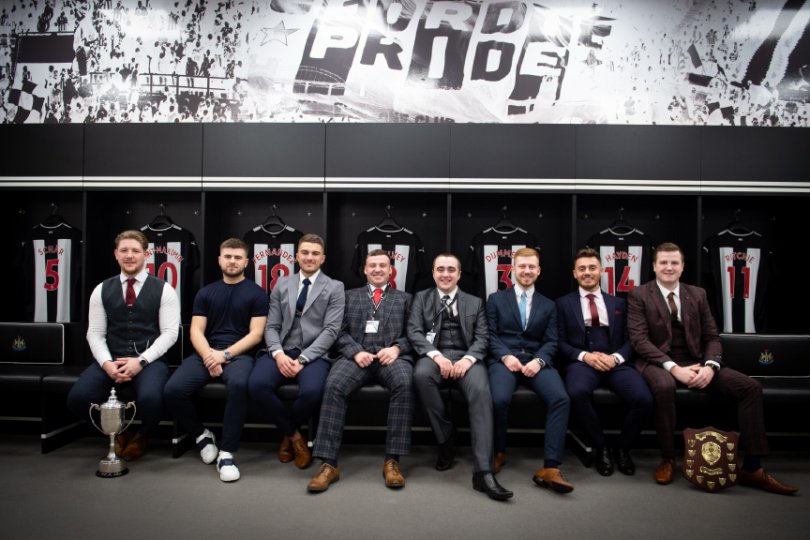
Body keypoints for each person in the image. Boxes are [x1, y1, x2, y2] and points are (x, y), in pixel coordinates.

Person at [628, 242, 797, 494]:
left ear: (683, 266)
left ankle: (753, 467)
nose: (669, 267)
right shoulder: (639, 294)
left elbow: (712, 336)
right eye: (663, 262)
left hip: (697, 360)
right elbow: (639, 341)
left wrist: (710, 366)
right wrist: (674, 369)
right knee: (664, 388)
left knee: (750, 387)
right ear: (653, 266)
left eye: (674, 262)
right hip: (657, 361)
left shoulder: (697, 294)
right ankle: (667, 458)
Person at [307, 250, 414, 493]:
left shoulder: (406, 299)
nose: (377, 269)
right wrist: (355, 351)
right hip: (356, 357)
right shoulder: (348, 296)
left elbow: (415, 333)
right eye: (372, 265)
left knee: (405, 383)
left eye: (382, 266)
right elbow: (337, 331)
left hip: (391, 359)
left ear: (391, 271)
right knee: (333, 384)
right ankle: (328, 463)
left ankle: (392, 460)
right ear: (365, 270)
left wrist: (398, 349)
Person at [67, 230, 179, 461]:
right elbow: (95, 333)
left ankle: (142, 435)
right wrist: (107, 364)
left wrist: (141, 361)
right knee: (77, 399)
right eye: (124, 250)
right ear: (116, 254)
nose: (130, 255)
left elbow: (170, 334)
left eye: (135, 251)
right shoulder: (101, 290)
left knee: (152, 399)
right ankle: (118, 432)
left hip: (149, 360)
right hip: (110, 358)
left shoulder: (164, 289)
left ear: (145, 255)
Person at [408, 253, 512, 501]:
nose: (446, 274)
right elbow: (414, 332)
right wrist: (436, 356)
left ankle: (483, 472)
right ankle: (445, 436)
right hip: (435, 356)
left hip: (467, 357)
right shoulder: (421, 299)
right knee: (421, 375)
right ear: (433, 273)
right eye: (440, 269)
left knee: (481, 392)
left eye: (451, 270)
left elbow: (483, 337)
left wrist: (467, 360)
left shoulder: (474, 302)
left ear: (459, 274)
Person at [163, 238, 267, 482]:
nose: (232, 261)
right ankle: (201, 435)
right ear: (219, 259)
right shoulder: (206, 292)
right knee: (172, 390)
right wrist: (210, 355)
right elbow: (195, 331)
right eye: (228, 256)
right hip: (206, 353)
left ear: (246, 262)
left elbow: (256, 334)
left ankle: (227, 452)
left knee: (240, 386)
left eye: (237, 257)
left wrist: (225, 354)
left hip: (239, 355)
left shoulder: (257, 293)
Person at [249, 233, 344, 470]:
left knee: (313, 391)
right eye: (305, 252)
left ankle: (286, 434)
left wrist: (303, 359)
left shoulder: (335, 287)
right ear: (296, 256)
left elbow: (331, 331)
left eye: (315, 253)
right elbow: (271, 326)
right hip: (281, 349)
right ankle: (295, 436)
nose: (309, 257)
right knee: (256, 385)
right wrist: (278, 354)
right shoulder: (282, 283)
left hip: (314, 354)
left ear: (322, 258)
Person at [556, 248, 652, 476]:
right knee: (576, 392)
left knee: (644, 398)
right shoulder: (562, 304)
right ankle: (601, 448)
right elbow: (558, 342)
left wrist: (616, 357)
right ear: (574, 273)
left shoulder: (620, 303)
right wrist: (584, 356)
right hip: (582, 361)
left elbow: (633, 340)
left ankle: (622, 448)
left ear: (602, 270)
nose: (587, 272)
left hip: (616, 361)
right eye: (582, 269)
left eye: (591, 268)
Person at [486, 247, 573, 494]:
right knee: (498, 399)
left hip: (537, 361)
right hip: (505, 361)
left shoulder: (549, 304)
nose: (526, 271)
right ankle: (499, 451)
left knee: (561, 399)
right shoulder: (496, 299)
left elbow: (552, 340)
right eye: (522, 266)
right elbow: (490, 335)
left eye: (531, 267)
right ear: (513, 270)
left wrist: (540, 361)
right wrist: (505, 356)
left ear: (538, 271)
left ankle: (551, 467)